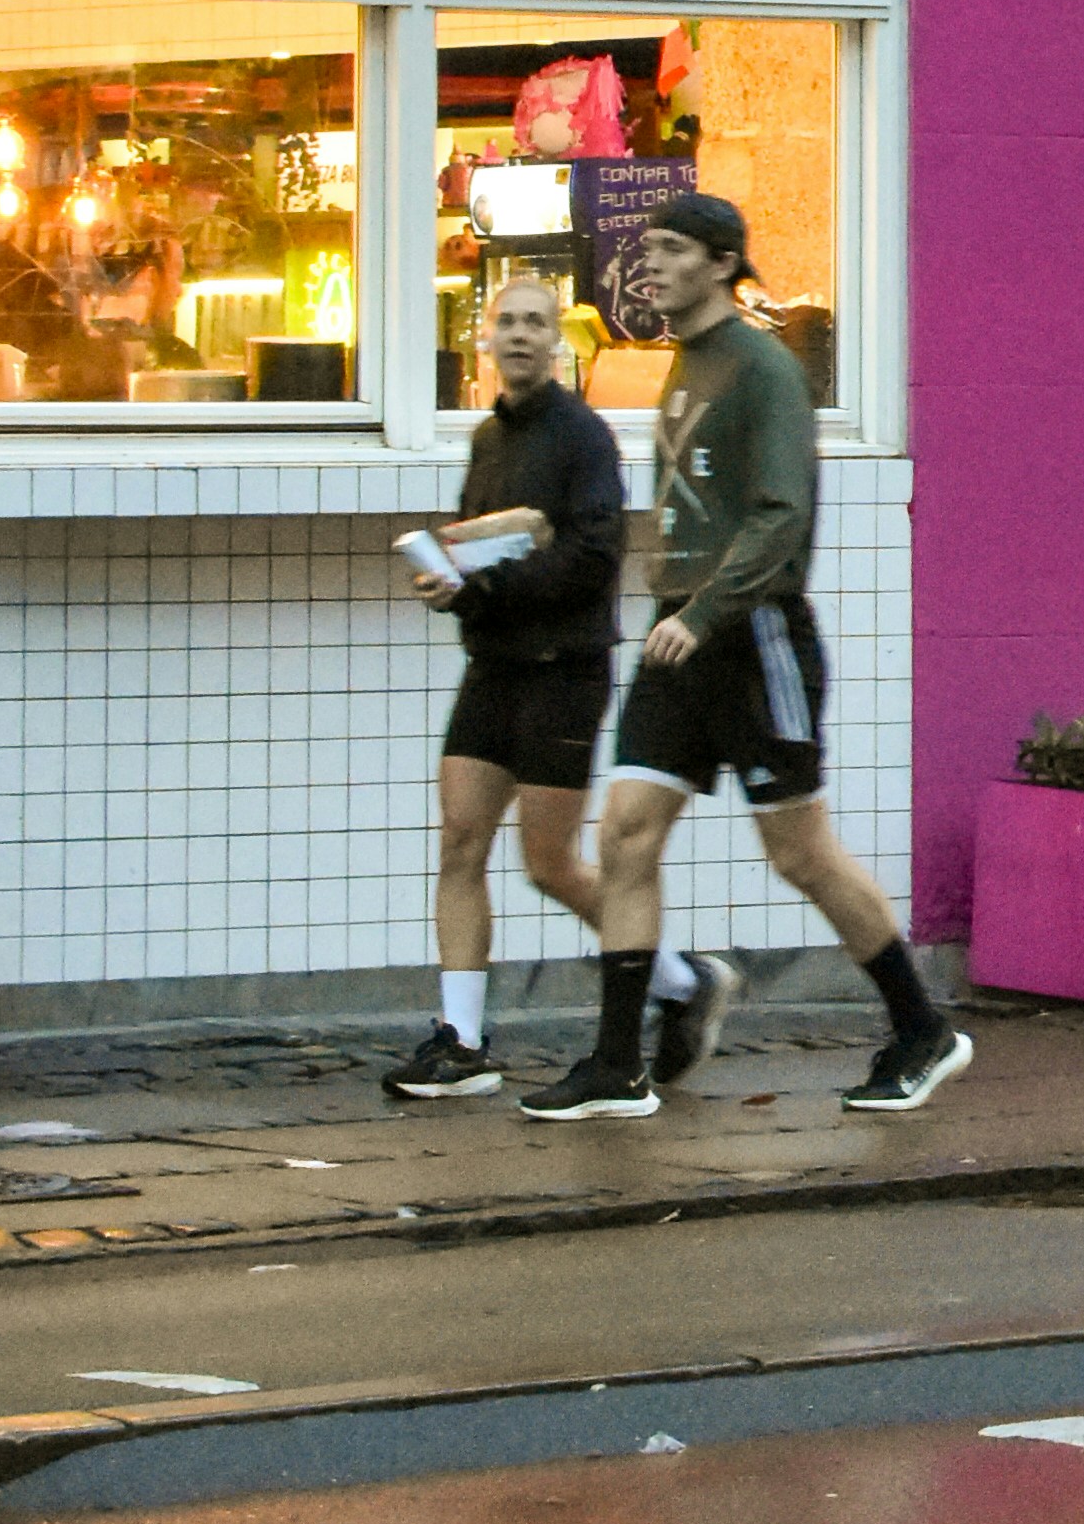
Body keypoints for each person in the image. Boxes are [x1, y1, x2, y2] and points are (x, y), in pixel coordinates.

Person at [519, 192, 969, 1121]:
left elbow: (780, 517)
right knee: (626, 833)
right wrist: (668, 603)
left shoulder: (764, 370)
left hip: (753, 637)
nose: (653, 263)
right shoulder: (683, 366)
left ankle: (922, 1029)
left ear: (722, 263)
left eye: (673, 249)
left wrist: (711, 609)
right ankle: (616, 1064)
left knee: (799, 853)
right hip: (676, 632)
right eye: (648, 248)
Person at [383, 268, 637, 1104]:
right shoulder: (489, 440)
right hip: (492, 665)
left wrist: (488, 586)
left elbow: (594, 559)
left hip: (565, 668)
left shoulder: (584, 438)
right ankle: (461, 1041)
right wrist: (448, 581)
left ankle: (673, 978)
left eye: (536, 322)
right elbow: (476, 549)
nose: (520, 336)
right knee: (460, 840)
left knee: (551, 863)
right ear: (485, 339)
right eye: (507, 323)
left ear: (557, 340)